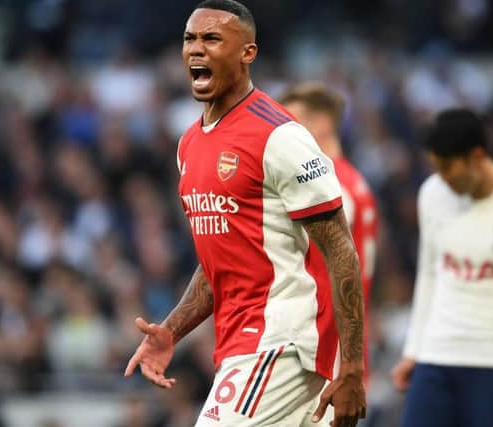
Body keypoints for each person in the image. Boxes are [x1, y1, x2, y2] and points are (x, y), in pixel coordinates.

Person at [124, 1, 367, 426]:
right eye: (189, 39)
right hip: (241, 343)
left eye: (212, 38)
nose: (196, 50)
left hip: (281, 341)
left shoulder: (281, 137)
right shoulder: (189, 145)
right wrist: (173, 331)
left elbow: (341, 250)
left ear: (247, 53)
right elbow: (223, 258)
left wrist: (352, 366)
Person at [391, 108, 493, 427]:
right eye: (436, 168)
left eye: (448, 167)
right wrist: (414, 349)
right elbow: (429, 274)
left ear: (477, 156)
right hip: (436, 354)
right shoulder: (432, 194)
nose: (443, 177)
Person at [278, 82, 378, 383]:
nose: (283, 135)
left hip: (324, 351)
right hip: (341, 347)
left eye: (291, 123)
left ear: (321, 124)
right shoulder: (353, 180)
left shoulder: (327, 186)